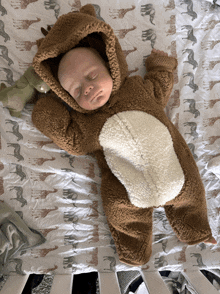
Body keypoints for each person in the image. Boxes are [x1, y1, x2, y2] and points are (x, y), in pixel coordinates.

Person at [30, 4, 216, 266]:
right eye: (75, 90)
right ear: (66, 98)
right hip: (128, 191)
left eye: (92, 75)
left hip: (175, 171)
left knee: (191, 192)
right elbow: (68, 137)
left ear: (111, 65)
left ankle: (197, 230)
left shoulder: (136, 90)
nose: (88, 88)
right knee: (122, 213)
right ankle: (134, 252)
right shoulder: (85, 123)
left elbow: (159, 87)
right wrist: (45, 107)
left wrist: (161, 65)